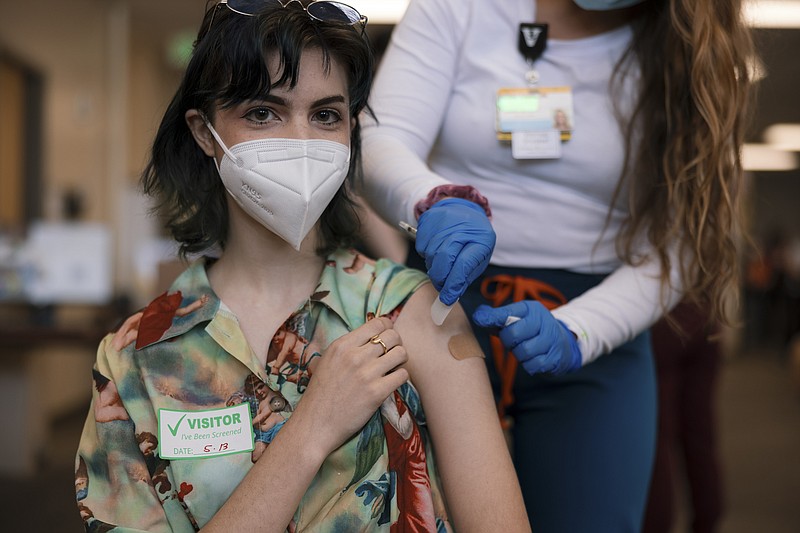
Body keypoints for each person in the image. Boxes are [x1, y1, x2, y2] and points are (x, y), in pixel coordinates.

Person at [73, 1, 531, 532]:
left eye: (325, 115)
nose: (300, 141)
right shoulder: (135, 360)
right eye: (262, 113)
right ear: (204, 132)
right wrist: (313, 426)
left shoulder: (413, 310)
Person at [360, 0, 753, 531]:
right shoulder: (460, 8)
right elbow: (379, 138)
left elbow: (680, 243)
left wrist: (581, 332)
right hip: (444, 304)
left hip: (596, 326)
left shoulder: (692, 47)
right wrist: (435, 198)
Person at [642, 300, 725, 533]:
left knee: (657, 435)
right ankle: (708, 519)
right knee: (700, 435)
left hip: (657, 314)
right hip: (701, 308)